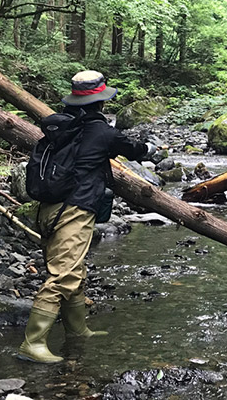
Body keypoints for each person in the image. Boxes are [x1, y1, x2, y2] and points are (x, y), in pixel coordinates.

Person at [18, 70, 156, 363]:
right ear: (101, 102)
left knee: (74, 271)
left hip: (48, 208)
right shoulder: (101, 131)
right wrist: (151, 149)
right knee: (63, 275)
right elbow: (134, 149)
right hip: (74, 210)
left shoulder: (61, 127)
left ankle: (78, 331)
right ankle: (33, 343)